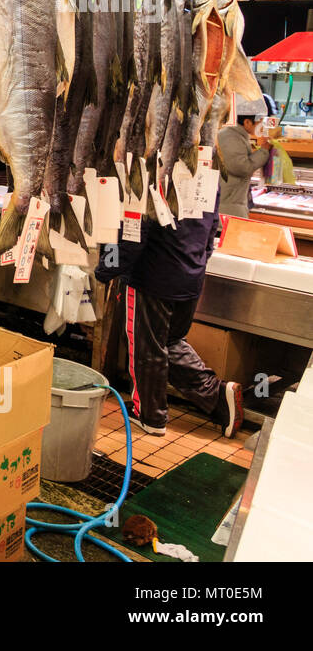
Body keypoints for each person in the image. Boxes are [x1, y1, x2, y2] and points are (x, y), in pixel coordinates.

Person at [95, 195, 244, 438]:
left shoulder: (152, 168)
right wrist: (196, 261)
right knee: (170, 342)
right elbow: (212, 225)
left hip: (151, 275)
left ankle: (150, 416)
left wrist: (106, 269)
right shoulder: (207, 170)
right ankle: (217, 397)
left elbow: (133, 231)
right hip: (190, 271)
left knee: (146, 346)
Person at [216, 108, 271, 218]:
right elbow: (241, 167)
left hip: (231, 202)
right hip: (227, 206)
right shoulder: (230, 137)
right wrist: (264, 151)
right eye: (259, 123)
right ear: (247, 122)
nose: (261, 126)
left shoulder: (236, 135)